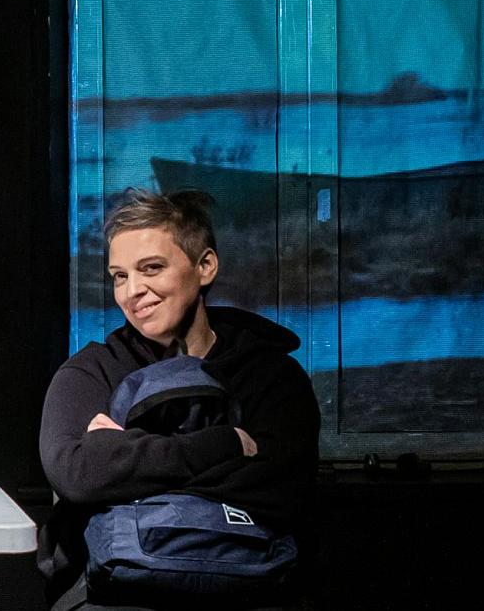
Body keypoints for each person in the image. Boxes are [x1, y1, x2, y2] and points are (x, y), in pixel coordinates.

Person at [38, 190, 319, 610]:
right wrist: (224, 444)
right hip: (116, 596)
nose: (132, 291)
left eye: (151, 268)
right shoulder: (90, 372)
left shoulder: (272, 374)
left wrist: (124, 462)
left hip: (247, 590)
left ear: (205, 266)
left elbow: (283, 489)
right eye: (119, 276)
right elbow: (77, 474)